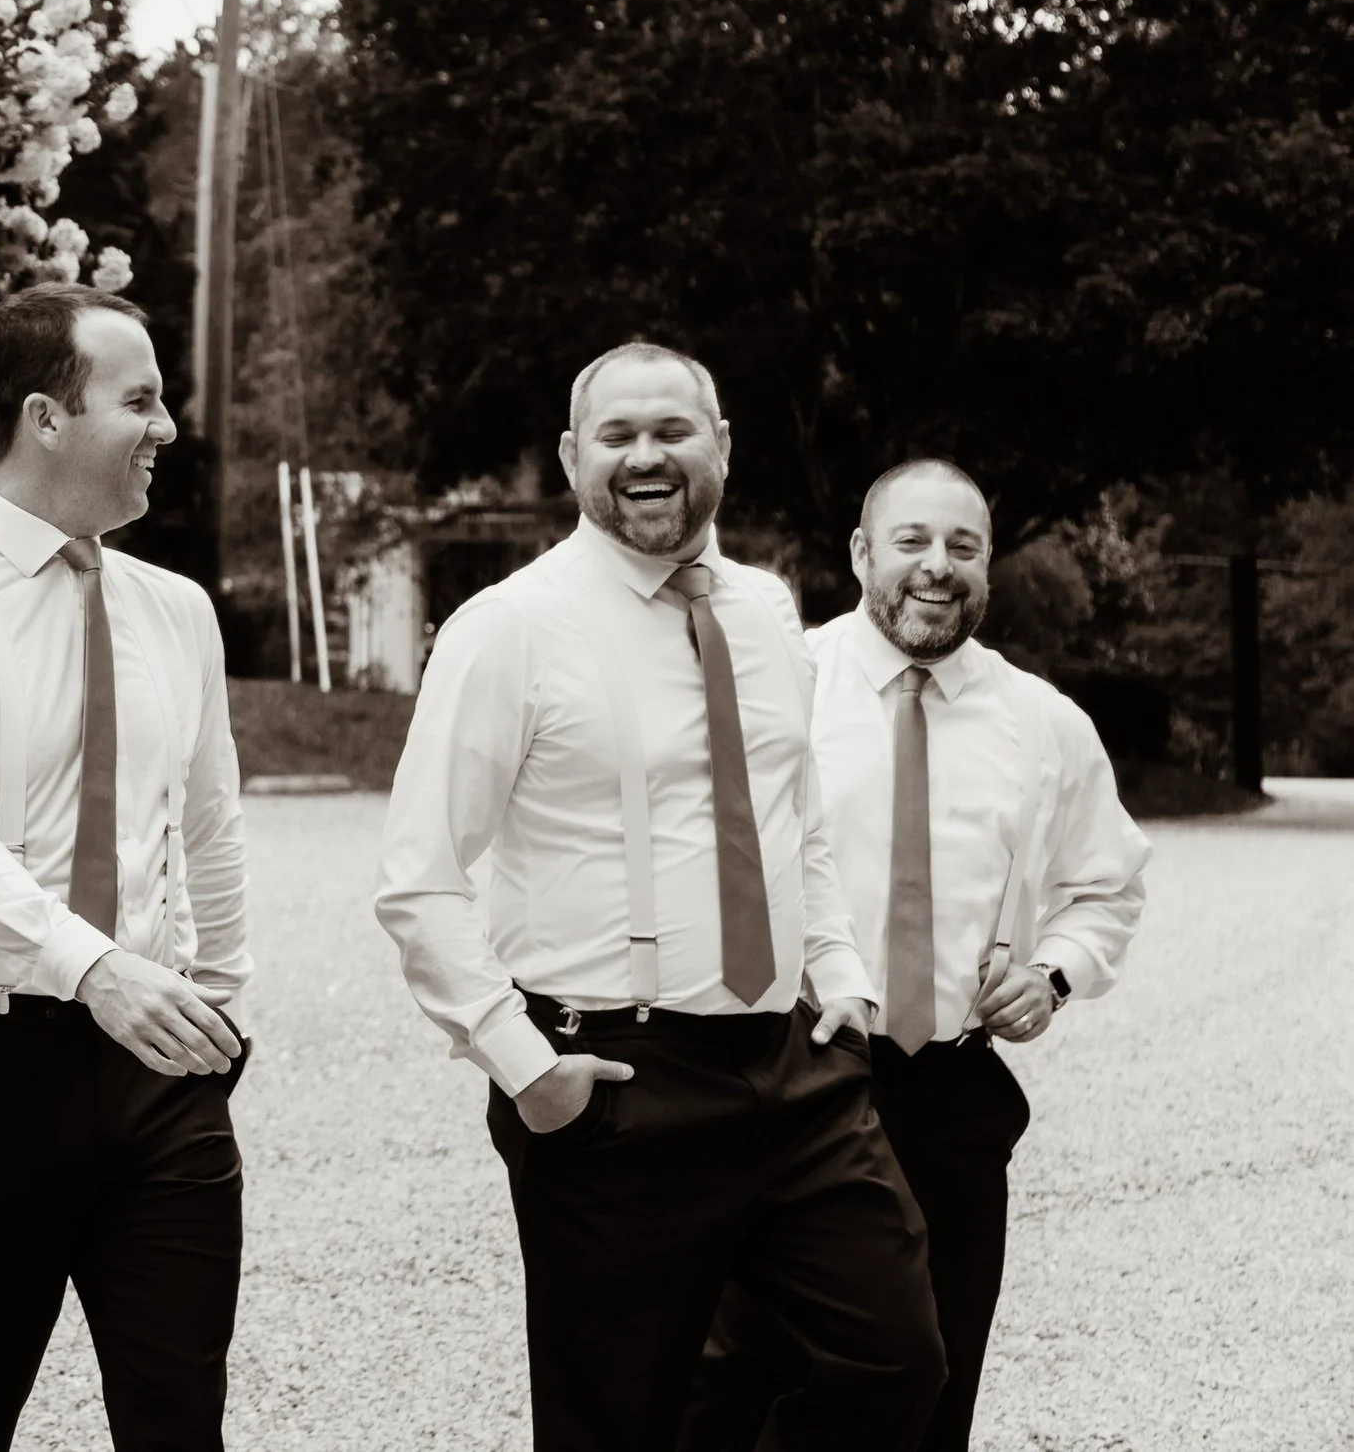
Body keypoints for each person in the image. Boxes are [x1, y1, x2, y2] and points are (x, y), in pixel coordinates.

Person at [373, 342, 948, 1452]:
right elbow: (420, 875)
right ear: (570, 457)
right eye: (618, 435)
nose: (647, 456)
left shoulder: (767, 609)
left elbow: (793, 817)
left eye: (673, 431)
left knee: (892, 1357)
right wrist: (525, 1067)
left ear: (721, 445)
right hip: (613, 1079)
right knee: (615, 1424)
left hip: (793, 1067)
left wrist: (837, 969)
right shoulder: (509, 627)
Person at [0, 282, 251, 1452]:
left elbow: (209, 821)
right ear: (45, 416)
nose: (166, 426)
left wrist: (222, 1000)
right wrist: (96, 971)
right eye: (140, 399)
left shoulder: (177, 611)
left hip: (163, 1072)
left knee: (179, 1417)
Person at [681, 459, 1150, 1452]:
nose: (937, 565)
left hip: (950, 1098)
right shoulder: (784, 689)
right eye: (911, 540)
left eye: (962, 546)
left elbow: (1108, 884)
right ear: (861, 554)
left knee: (936, 1373)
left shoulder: (1043, 723)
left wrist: (1052, 972)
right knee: (749, 1370)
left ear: (988, 565)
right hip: (792, 1078)